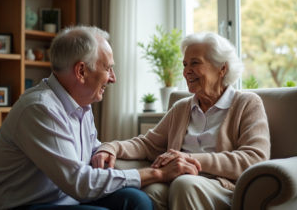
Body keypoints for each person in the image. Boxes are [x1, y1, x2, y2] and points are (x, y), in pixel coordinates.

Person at [0, 26, 200, 210]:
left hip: (67, 199)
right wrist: (157, 173)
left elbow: (89, 155)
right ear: (81, 71)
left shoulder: (81, 103)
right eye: (108, 69)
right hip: (21, 206)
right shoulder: (40, 109)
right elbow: (80, 182)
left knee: (137, 201)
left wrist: (105, 149)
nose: (113, 78)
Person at [92, 32, 271, 210]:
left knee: (183, 184)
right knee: (147, 188)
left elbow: (254, 159)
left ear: (222, 68)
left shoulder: (247, 103)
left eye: (195, 63)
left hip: (221, 186)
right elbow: (148, 144)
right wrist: (111, 147)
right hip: (178, 181)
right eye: (185, 64)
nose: (186, 71)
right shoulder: (182, 107)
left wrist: (191, 159)